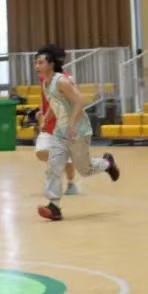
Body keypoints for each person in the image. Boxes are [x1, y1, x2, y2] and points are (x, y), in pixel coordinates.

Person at [34, 47, 119, 221]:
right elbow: (55, 102)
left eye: (40, 62)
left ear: (51, 64)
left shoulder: (62, 81)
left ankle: (107, 163)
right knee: (53, 166)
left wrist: (72, 123)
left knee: (85, 169)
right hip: (60, 131)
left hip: (77, 130)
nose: (37, 66)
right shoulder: (45, 83)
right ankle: (54, 206)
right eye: (36, 63)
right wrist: (47, 118)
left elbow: (79, 100)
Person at [36, 71, 79, 195]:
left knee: (68, 160)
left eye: (40, 62)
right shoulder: (43, 78)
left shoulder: (66, 78)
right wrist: (41, 112)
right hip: (49, 124)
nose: (37, 66)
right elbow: (44, 98)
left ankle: (71, 184)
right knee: (41, 151)